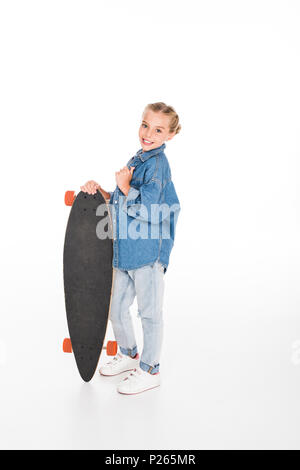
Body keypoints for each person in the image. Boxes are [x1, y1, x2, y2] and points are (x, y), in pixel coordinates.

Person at [80, 102, 181, 394]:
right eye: (145, 124)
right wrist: (100, 191)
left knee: (149, 313)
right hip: (124, 252)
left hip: (147, 254)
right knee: (115, 308)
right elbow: (121, 200)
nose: (148, 133)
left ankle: (150, 369)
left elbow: (151, 208)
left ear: (170, 136)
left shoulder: (159, 165)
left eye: (158, 129)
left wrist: (125, 187)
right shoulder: (139, 158)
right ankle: (128, 353)